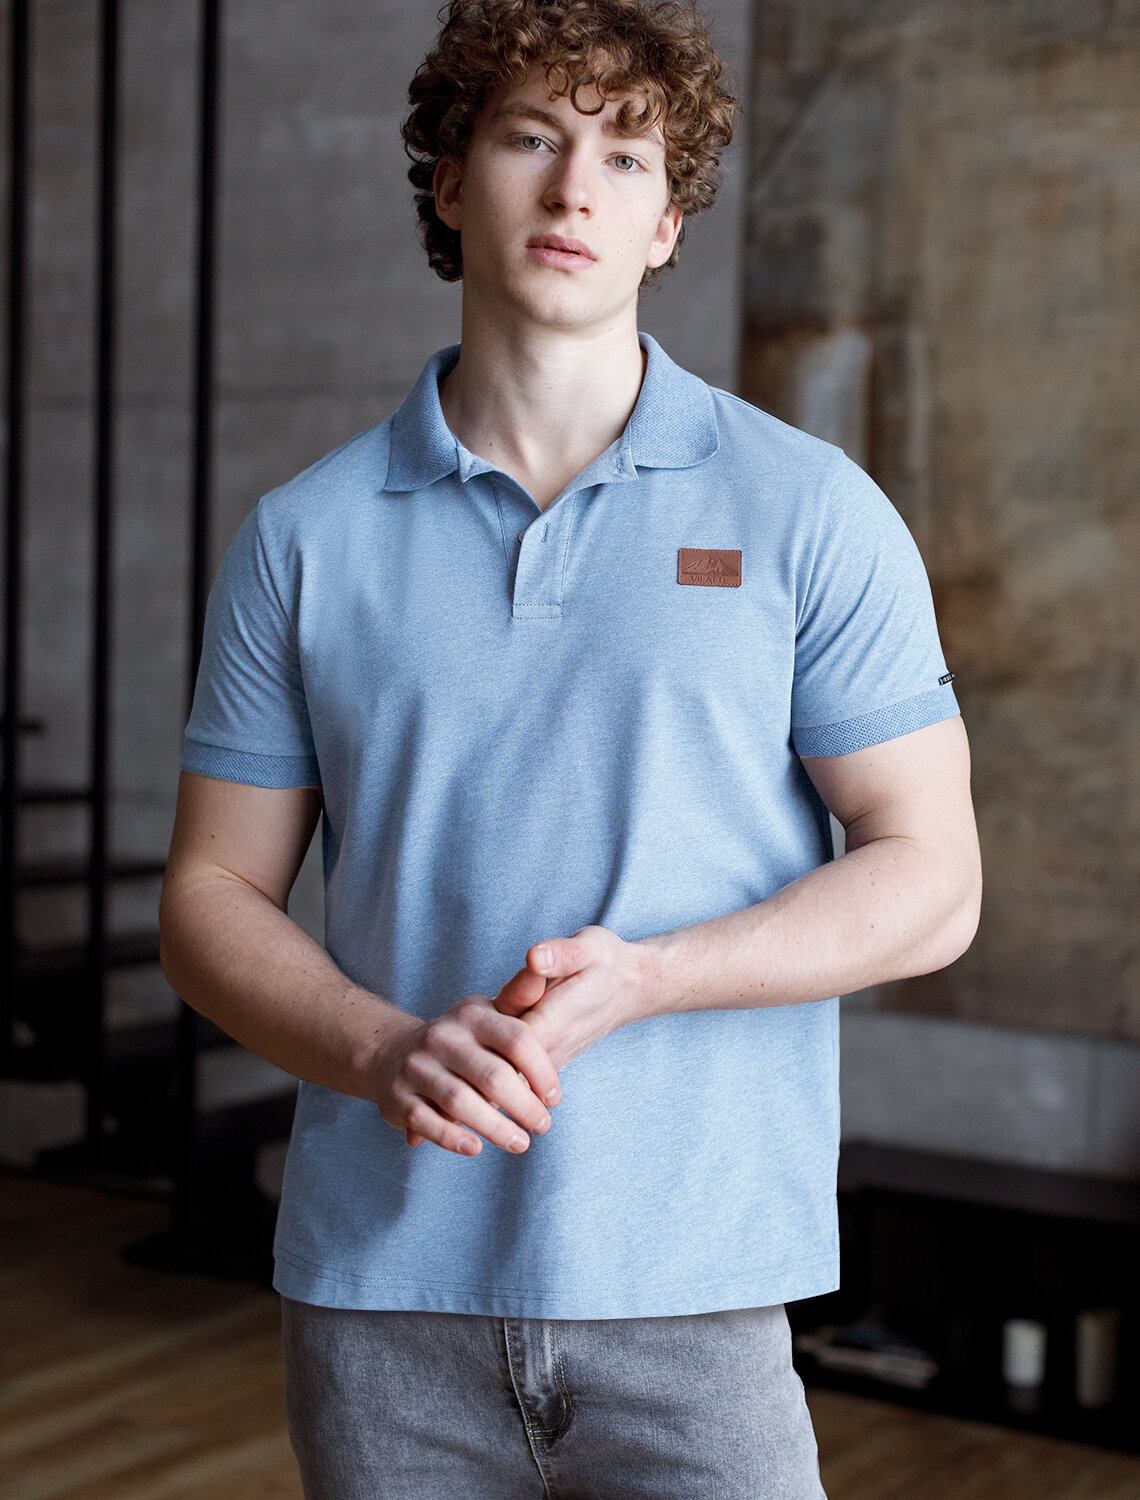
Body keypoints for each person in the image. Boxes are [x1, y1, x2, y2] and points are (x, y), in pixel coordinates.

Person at [158, 0, 982, 1494]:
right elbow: (210, 899)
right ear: (448, 181)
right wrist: (382, 1047)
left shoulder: (811, 511)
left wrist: (655, 975)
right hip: (381, 1302)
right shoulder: (303, 538)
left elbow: (932, 881)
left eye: (624, 157)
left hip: (699, 1297)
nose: (572, 189)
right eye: (531, 138)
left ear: (667, 226)